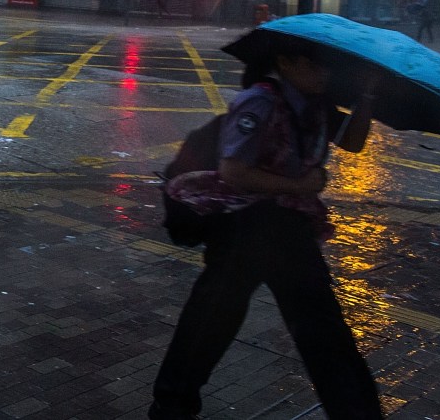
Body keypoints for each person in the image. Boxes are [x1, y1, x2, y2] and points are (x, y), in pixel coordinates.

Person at [149, 40, 383, 420]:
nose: (324, 72)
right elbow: (233, 172)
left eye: (327, 66)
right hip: (243, 227)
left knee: (321, 328)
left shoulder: (316, 104)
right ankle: (171, 405)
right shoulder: (259, 102)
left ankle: (357, 412)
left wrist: (368, 94)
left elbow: (353, 142)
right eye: (315, 64)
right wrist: (302, 187)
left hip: (289, 228)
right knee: (212, 319)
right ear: (286, 62)